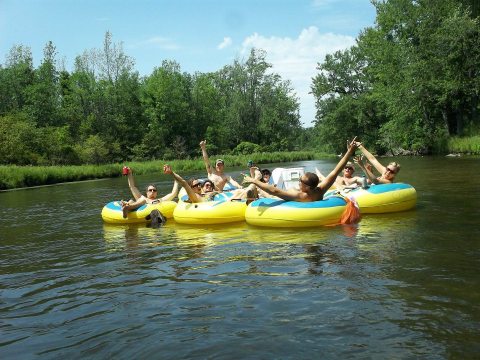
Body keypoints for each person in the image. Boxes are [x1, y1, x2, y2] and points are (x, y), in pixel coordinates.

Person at [243, 138, 359, 202]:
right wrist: (349, 152)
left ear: (308, 187)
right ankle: (256, 185)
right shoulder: (320, 190)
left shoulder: (301, 196)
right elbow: (335, 171)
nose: (299, 181)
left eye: (301, 181)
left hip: (281, 199)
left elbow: (274, 192)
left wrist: (254, 181)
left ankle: (256, 183)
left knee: (268, 194)